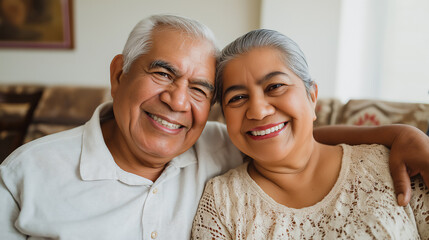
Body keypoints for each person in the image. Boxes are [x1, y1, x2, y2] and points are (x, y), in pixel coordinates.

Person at [0, 14, 428, 240]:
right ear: (118, 75)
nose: (177, 100)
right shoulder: (26, 175)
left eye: (201, 89)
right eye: (163, 74)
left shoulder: (220, 144)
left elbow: (294, 140)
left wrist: (400, 135)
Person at [191, 29, 429, 239]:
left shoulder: (392, 164)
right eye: (238, 98)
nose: (258, 111)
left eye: (275, 86)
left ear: (311, 96)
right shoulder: (222, 202)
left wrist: (402, 135)